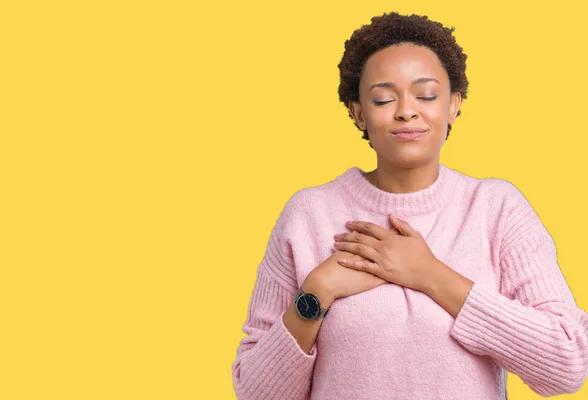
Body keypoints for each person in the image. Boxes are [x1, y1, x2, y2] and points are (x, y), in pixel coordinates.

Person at [231, 11, 588, 400]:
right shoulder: (308, 215)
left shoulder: (497, 209)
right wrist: (317, 292)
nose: (406, 110)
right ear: (358, 113)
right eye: (384, 98)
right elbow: (255, 392)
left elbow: (567, 364)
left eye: (426, 95)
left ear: (453, 104)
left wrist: (430, 275)